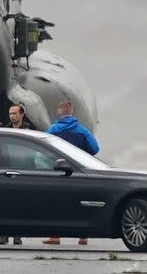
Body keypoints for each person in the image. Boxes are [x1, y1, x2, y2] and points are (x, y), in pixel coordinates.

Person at [42, 100, 99, 247]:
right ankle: (83, 236)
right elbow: (94, 148)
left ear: (59, 113)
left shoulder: (52, 130)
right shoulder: (82, 130)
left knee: (56, 204)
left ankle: (55, 236)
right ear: (72, 113)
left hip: (57, 171)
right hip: (79, 172)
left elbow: (43, 149)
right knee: (80, 203)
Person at [0, 105, 35, 246]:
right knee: (5, 205)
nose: (12, 116)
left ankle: (17, 235)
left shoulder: (29, 130)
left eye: (14, 113)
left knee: (19, 205)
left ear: (21, 115)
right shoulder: (5, 129)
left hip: (24, 170)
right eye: (10, 113)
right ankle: (4, 234)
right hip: (8, 171)